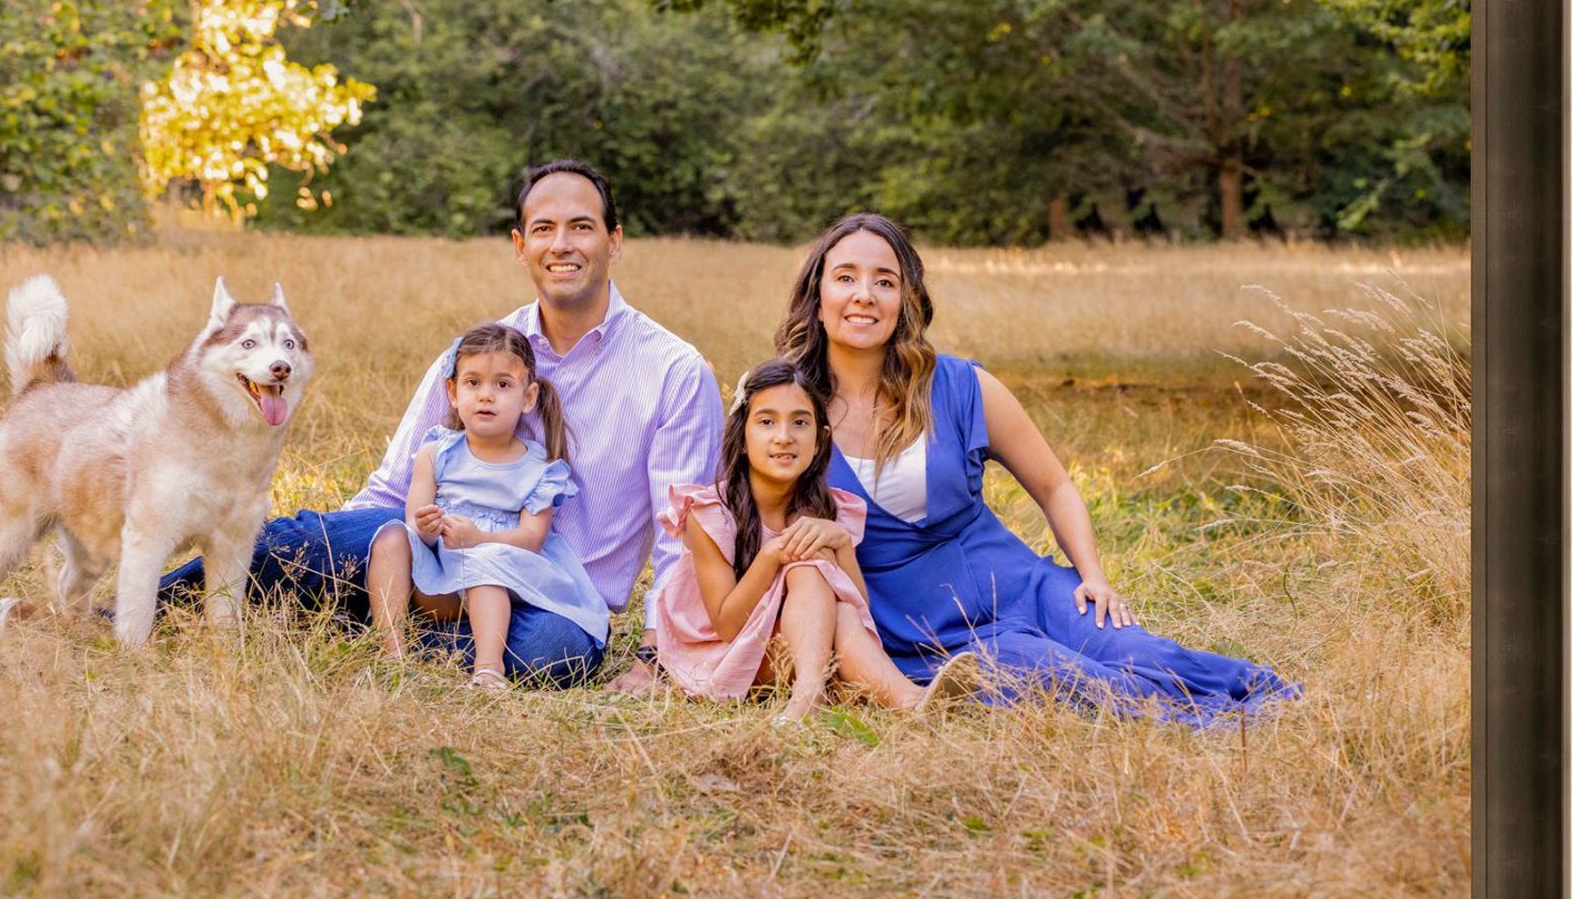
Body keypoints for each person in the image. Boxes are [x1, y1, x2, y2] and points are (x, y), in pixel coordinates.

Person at [610, 212, 1297, 725]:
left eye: (885, 281)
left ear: (906, 298)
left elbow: (1054, 485)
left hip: (1014, 581)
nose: (864, 296)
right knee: (1057, 675)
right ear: (816, 294)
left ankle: (1264, 698)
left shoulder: (964, 386)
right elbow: (731, 521)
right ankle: (1198, 726)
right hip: (910, 625)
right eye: (845, 278)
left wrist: (1091, 573)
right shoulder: (779, 403)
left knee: (1126, 648)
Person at [156, 160, 724, 686]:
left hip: (553, 597)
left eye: (582, 227)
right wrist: (336, 548)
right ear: (520, 246)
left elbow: (685, 536)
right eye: (544, 229)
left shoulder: (673, 371)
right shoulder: (475, 356)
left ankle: (358, 625)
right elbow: (394, 486)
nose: (563, 245)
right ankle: (156, 604)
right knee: (310, 542)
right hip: (438, 562)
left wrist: (654, 654)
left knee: (554, 657)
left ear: (613, 242)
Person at [654, 357, 979, 720]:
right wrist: (773, 554)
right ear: (742, 437)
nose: (784, 436)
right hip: (725, 653)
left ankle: (903, 701)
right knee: (805, 558)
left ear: (820, 439)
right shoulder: (711, 511)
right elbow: (728, 626)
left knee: (832, 596)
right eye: (766, 422)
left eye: (800, 422)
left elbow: (858, 609)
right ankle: (830, 693)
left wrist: (841, 546)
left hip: (806, 641)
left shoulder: (831, 508)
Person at [366, 322, 608, 688]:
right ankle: (392, 654)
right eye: (473, 383)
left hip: (499, 567)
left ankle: (488, 668)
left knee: (485, 568)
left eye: (503, 385)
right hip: (439, 579)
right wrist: (427, 528)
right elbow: (416, 520)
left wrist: (479, 539)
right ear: (452, 392)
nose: (486, 396)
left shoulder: (540, 468)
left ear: (528, 398)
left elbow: (532, 538)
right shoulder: (436, 452)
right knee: (390, 537)